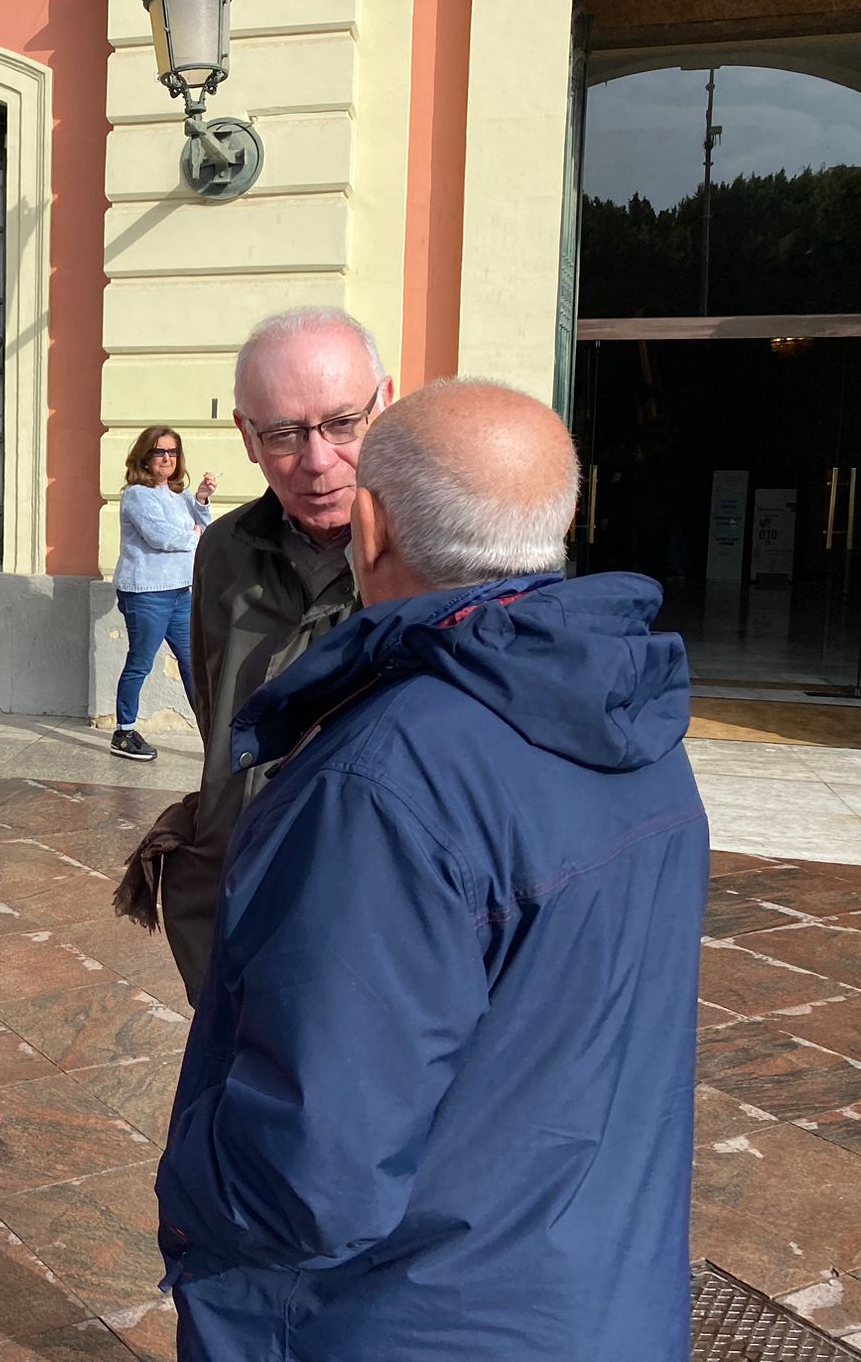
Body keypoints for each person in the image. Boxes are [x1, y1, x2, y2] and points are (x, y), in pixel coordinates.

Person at [156, 380, 707, 1362]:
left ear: (368, 525)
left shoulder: (385, 776)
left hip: (400, 1321)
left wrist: (192, 1178)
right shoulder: (637, 721)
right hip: (596, 1298)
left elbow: (310, 1174)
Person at [115, 308, 391, 1004]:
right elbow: (221, 722)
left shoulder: (439, 554)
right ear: (247, 437)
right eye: (285, 434)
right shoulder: (225, 551)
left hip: (375, 929)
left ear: (383, 404)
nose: (318, 459)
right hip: (241, 911)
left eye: (341, 424)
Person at [109, 426, 216, 761]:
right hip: (146, 594)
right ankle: (124, 732)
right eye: (160, 452)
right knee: (140, 663)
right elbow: (160, 536)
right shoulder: (136, 495)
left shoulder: (176, 496)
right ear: (145, 456)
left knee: (192, 663)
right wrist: (193, 534)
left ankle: (211, 733)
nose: (167, 458)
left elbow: (204, 526)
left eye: (172, 452)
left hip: (181, 593)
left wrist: (200, 499)